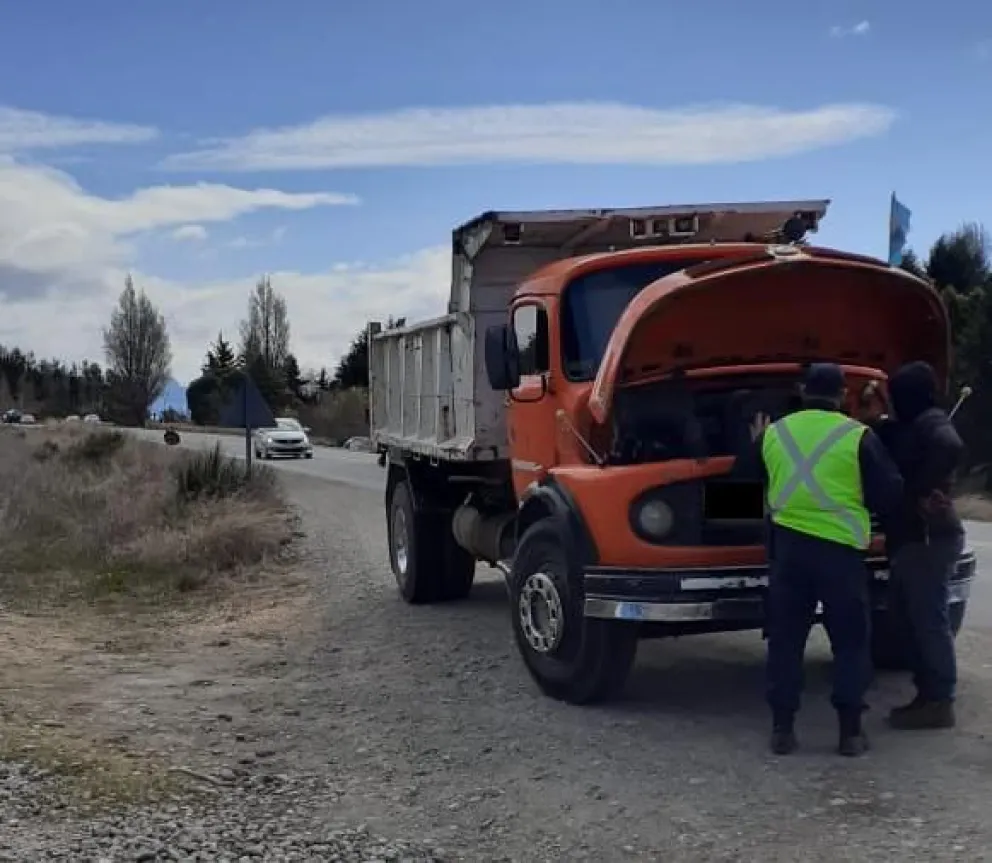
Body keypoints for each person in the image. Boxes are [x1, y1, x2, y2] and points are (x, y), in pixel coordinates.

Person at [748, 363, 903, 757]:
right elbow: (890, 493)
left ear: (803, 391)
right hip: (840, 555)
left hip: (789, 553)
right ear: (843, 394)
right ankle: (850, 734)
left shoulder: (774, 433)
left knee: (786, 641)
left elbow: (741, 480)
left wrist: (755, 444)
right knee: (850, 642)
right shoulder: (858, 436)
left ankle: (782, 731)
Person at [861, 361, 965, 730]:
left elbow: (949, 445)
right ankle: (928, 696)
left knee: (927, 622)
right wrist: (880, 421)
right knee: (909, 620)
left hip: (926, 538)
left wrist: (922, 490)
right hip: (915, 540)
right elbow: (901, 440)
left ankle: (939, 701)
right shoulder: (914, 423)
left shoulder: (933, 422)